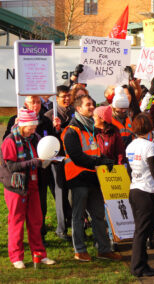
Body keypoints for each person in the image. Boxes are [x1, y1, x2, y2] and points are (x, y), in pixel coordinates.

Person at [61, 94, 122, 262]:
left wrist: (103, 162)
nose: (91, 107)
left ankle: (104, 249)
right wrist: (99, 161)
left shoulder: (92, 129)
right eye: (88, 105)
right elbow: (76, 156)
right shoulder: (71, 131)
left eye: (92, 104)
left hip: (94, 178)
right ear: (78, 108)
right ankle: (79, 250)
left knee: (99, 215)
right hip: (78, 178)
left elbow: (95, 152)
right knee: (78, 216)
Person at [2, 108, 56, 269]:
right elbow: (11, 166)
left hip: (33, 184)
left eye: (34, 126)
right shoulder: (10, 141)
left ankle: (39, 253)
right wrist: (35, 162)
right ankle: (16, 256)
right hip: (15, 186)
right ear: (21, 125)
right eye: (30, 126)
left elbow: (42, 155)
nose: (33, 129)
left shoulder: (35, 138)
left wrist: (49, 160)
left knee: (36, 221)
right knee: (16, 221)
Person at [126, 113, 154, 277]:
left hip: (134, 190)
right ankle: (137, 267)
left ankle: (143, 265)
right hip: (146, 192)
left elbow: (130, 169)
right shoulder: (149, 146)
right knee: (142, 232)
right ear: (150, 127)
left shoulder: (130, 146)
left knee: (141, 231)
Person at [44, 85, 74, 241]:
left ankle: (76, 222)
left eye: (69, 95)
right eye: (63, 96)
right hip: (58, 161)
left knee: (74, 191)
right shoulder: (49, 115)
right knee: (60, 192)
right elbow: (46, 140)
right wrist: (56, 129)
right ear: (57, 98)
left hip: (73, 159)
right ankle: (61, 229)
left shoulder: (74, 112)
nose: (67, 98)